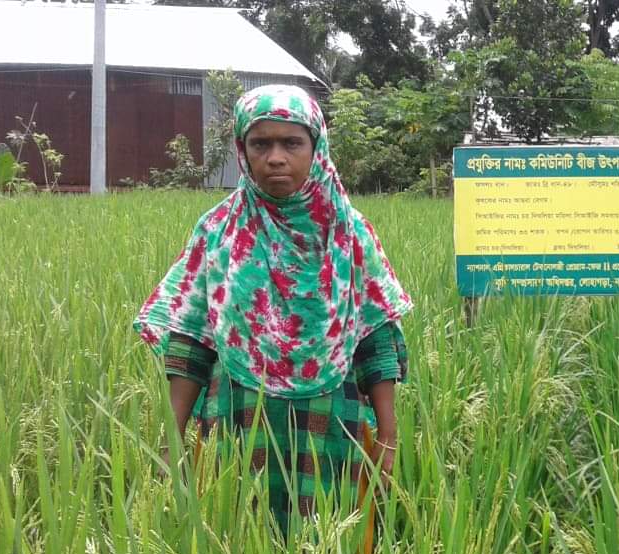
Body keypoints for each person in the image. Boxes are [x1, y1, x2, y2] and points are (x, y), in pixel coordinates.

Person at [134, 84, 413, 531]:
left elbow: (376, 341)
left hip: (331, 419)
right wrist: (172, 441)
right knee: (236, 541)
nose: (276, 158)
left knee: (329, 543)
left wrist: (388, 437)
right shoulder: (219, 231)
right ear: (242, 151)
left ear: (316, 149)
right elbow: (190, 344)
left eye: (291, 143)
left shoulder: (349, 233)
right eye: (260, 144)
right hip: (238, 416)